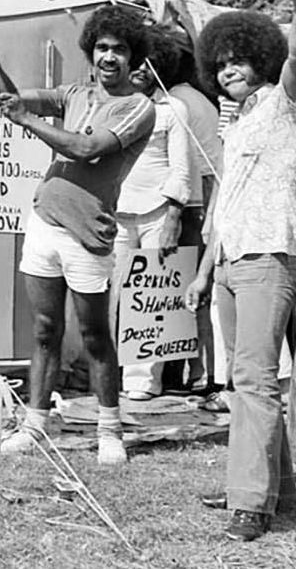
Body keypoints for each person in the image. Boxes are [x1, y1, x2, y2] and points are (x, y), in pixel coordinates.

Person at [0, 5, 154, 465]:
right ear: (91, 52)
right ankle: (35, 424)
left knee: (94, 336)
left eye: (120, 49)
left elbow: (87, 149)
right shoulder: (74, 92)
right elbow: (10, 99)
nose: (109, 57)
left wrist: (26, 120)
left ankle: (109, 431)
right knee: (45, 330)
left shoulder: (139, 108)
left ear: (135, 59)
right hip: (43, 224)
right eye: (102, 48)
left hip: (88, 235)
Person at [185, 0, 296, 542]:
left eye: (238, 58)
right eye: (219, 62)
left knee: (255, 378)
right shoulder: (237, 123)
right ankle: (272, 487)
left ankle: (250, 500)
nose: (228, 69)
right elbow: (223, 207)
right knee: (239, 380)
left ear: (263, 56)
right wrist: (206, 272)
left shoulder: (282, 104)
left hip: (270, 256)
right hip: (230, 261)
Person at [113, 24, 193, 400]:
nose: (142, 69)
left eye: (150, 61)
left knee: (149, 297)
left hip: (158, 209)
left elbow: (181, 170)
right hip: (114, 210)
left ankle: (142, 382)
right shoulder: (113, 102)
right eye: (136, 60)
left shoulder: (173, 108)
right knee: (109, 294)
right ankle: (105, 376)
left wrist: (173, 219)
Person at [164, 30, 222, 395]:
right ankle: (201, 371)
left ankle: (190, 373)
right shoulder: (200, 99)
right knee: (201, 294)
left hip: (195, 203)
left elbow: (187, 165)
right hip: (209, 200)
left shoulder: (174, 102)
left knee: (183, 291)